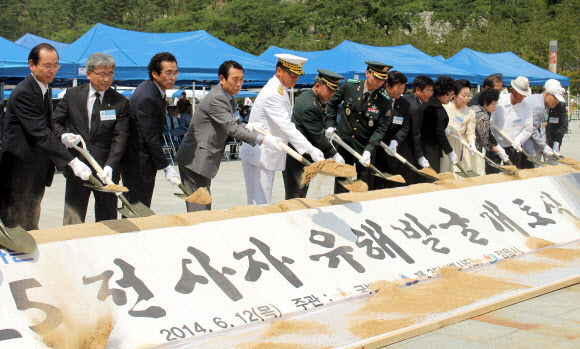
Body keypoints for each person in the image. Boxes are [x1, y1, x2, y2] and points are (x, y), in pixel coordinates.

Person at [0, 43, 91, 230]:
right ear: (32, 65)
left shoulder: (44, 88)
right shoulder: (24, 92)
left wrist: (62, 136)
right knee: (16, 224)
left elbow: (47, 126)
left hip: (36, 169)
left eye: (55, 65)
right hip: (20, 170)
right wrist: (71, 161)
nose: (52, 71)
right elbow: (39, 132)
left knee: (31, 218)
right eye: (47, 65)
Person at [177, 60, 281, 212]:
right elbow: (232, 128)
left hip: (204, 159)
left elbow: (237, 122)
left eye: (241, 79)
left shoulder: (230, 97)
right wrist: (263, 140)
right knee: (199, 209)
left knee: (204, 204)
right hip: (194, 159)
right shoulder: (217, 98)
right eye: (235, 79)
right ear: (222, 79)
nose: (239, 84)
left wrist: (251, 127)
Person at [52, 52, 129, 225]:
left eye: (110, 74)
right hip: (78, 166)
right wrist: (63, 135)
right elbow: (55, 121)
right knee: (73, 217)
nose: (106, 79)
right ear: (88, 74)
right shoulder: (72, 95)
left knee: (108, 217)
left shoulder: (120, 102)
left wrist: (111, 164)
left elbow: (120, 136)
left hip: (105, 169)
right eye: (102, 74)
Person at [240, 54, 324, 205]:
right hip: (259, 155)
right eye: (292, 74)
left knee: (262, 204)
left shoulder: (281, 90)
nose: (295, 78)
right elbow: (287, 126)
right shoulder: (274, 93)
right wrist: (310, 149)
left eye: (298, 74)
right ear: (279, 71)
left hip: (265, 155)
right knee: (259, 205)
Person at [121, 52, 180, 208]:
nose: (173, 77)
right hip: (138, 161)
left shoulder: (154, 90)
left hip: (142, 158)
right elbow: (150, 137)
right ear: (155, 73)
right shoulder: (148, 96)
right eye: (168, 73)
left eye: (175, 73)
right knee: (138, 206)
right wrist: (166, 166)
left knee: (139, 205)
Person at [325, 61, 393, 193]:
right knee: (342, 186)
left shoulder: (384, 101)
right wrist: (330, 124)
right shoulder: (350, 86)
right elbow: (332, 104)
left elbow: (381, 129)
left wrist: (369, 149)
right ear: (367, 73)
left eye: (383, 79)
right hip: (344, 144)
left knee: (363, 185)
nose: (380, 82)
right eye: (377, 77)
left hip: (364, 147)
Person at [283, 69, 345, 199]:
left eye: (334, 91)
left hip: (304, 152)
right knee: (296, 194)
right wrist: (334, 154)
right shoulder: (310, 105)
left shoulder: (310, 97)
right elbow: (317, 135)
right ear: (317, 86)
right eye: (330, 90)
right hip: (298, 155)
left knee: (299, 193)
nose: (332, 94)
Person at [374, 70, 411, 188]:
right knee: (374, 182)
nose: (401, 91)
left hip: (391, 150)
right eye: (398, 88)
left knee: (390, 182)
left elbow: (404, 127)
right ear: (387, 85)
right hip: (374, 149)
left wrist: (396, 141)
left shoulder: (404, 103)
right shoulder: (375, 98)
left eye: (403, 88)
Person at [521, 79, 566, 168]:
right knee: (532, 169)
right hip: (530, 141)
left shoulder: (549, 104)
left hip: (548, 140)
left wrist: (556, 142)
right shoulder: (538, 106)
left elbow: (562, 125)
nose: (557, 102)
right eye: (555, 98)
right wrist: (543, 146)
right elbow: (532, 128)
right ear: (547, 94)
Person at [490, 76, 533, 168]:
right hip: (495, 145)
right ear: (512, 91)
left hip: (513, 146)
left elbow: (528, 129)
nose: (521, 97)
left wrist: (519, 139)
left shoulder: (526, 108)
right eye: (519, 94)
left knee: (512, 174)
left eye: (523, 95)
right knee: (492, 173)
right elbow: (490, 122)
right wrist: (493, 142)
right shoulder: (498, 101)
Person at [420, 75, 457, 173]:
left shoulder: (427, 102)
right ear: (441, 92)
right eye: (448, 95)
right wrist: (450, 151)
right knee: (431, 177)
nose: (450, 98)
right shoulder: (438, 110)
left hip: (419, 147)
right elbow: (439, 133)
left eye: (452, 95)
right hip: (430, 148)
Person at [442, 79, 479, 174]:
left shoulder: (470, 113)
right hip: (446, 143)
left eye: (468, 96)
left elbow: (471, 133)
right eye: (463, 95)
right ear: (455, 94)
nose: (466, 99)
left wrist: (472, 143)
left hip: (461, 144)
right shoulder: (445, 107)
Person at [401, 76, 434, 183]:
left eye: (431, 91)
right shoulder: (416, 108)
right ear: (418, 90)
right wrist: (420, 155)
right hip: (407, 148)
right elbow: (415, 134)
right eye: (427, 91)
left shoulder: (406, 99)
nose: (429, 94)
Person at [471, 88, 510, 174]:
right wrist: (499, 151)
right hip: (474, 148)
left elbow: (487, 132)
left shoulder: (475, 107)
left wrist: (496, 144)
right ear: (485, 103)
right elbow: (486, 143)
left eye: (496, 104)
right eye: (493, 104)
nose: (495, 107)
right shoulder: (483, 117)